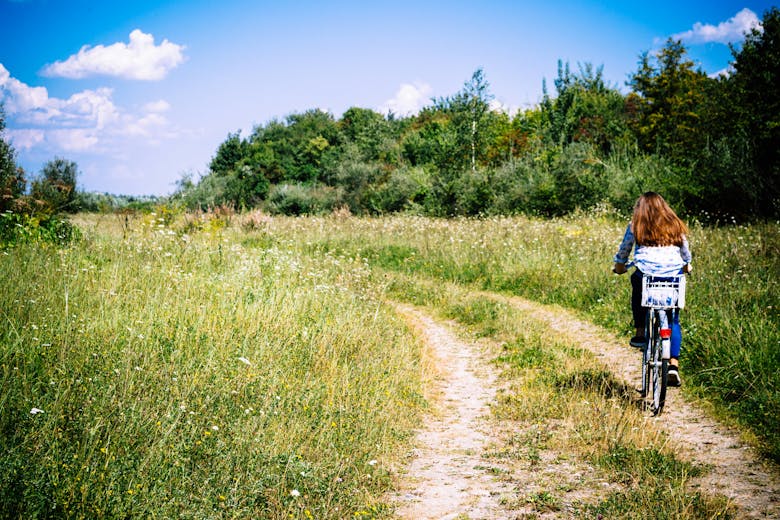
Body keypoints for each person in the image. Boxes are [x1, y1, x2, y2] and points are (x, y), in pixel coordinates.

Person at [613, 192, 692, 387]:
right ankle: (673, 365)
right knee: (673, 319)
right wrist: (686, 265)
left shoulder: (636, 225)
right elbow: (685, 253)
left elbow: (624, 250)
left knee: (636, 282)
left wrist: (620, 266)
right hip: (673, 277)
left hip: (646, 275)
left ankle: (640, 332)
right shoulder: (675, 224)